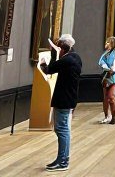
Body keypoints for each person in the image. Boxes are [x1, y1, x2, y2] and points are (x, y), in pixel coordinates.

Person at [40, 33, 82, 171]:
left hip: (64, 99)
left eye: (59, 47)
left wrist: (45, 60)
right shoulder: (75, 57)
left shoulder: (67, 60)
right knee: (64, 130)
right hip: (69, 98)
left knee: (62, 130)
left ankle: (63, 161)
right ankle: (63, 159)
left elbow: (48, 69)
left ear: (63, 48)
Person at [99, 36, 115, 124]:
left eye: (108, 42)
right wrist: (105, 67)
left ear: (112, 44)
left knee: (111, 97)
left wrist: (111, 70)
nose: (106, 44)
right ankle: (106, 116)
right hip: (105, 76)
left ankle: (113, 118)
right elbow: (101, 61)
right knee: (105, 97)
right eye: (106, 42)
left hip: (112, 76)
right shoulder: (107, 53)